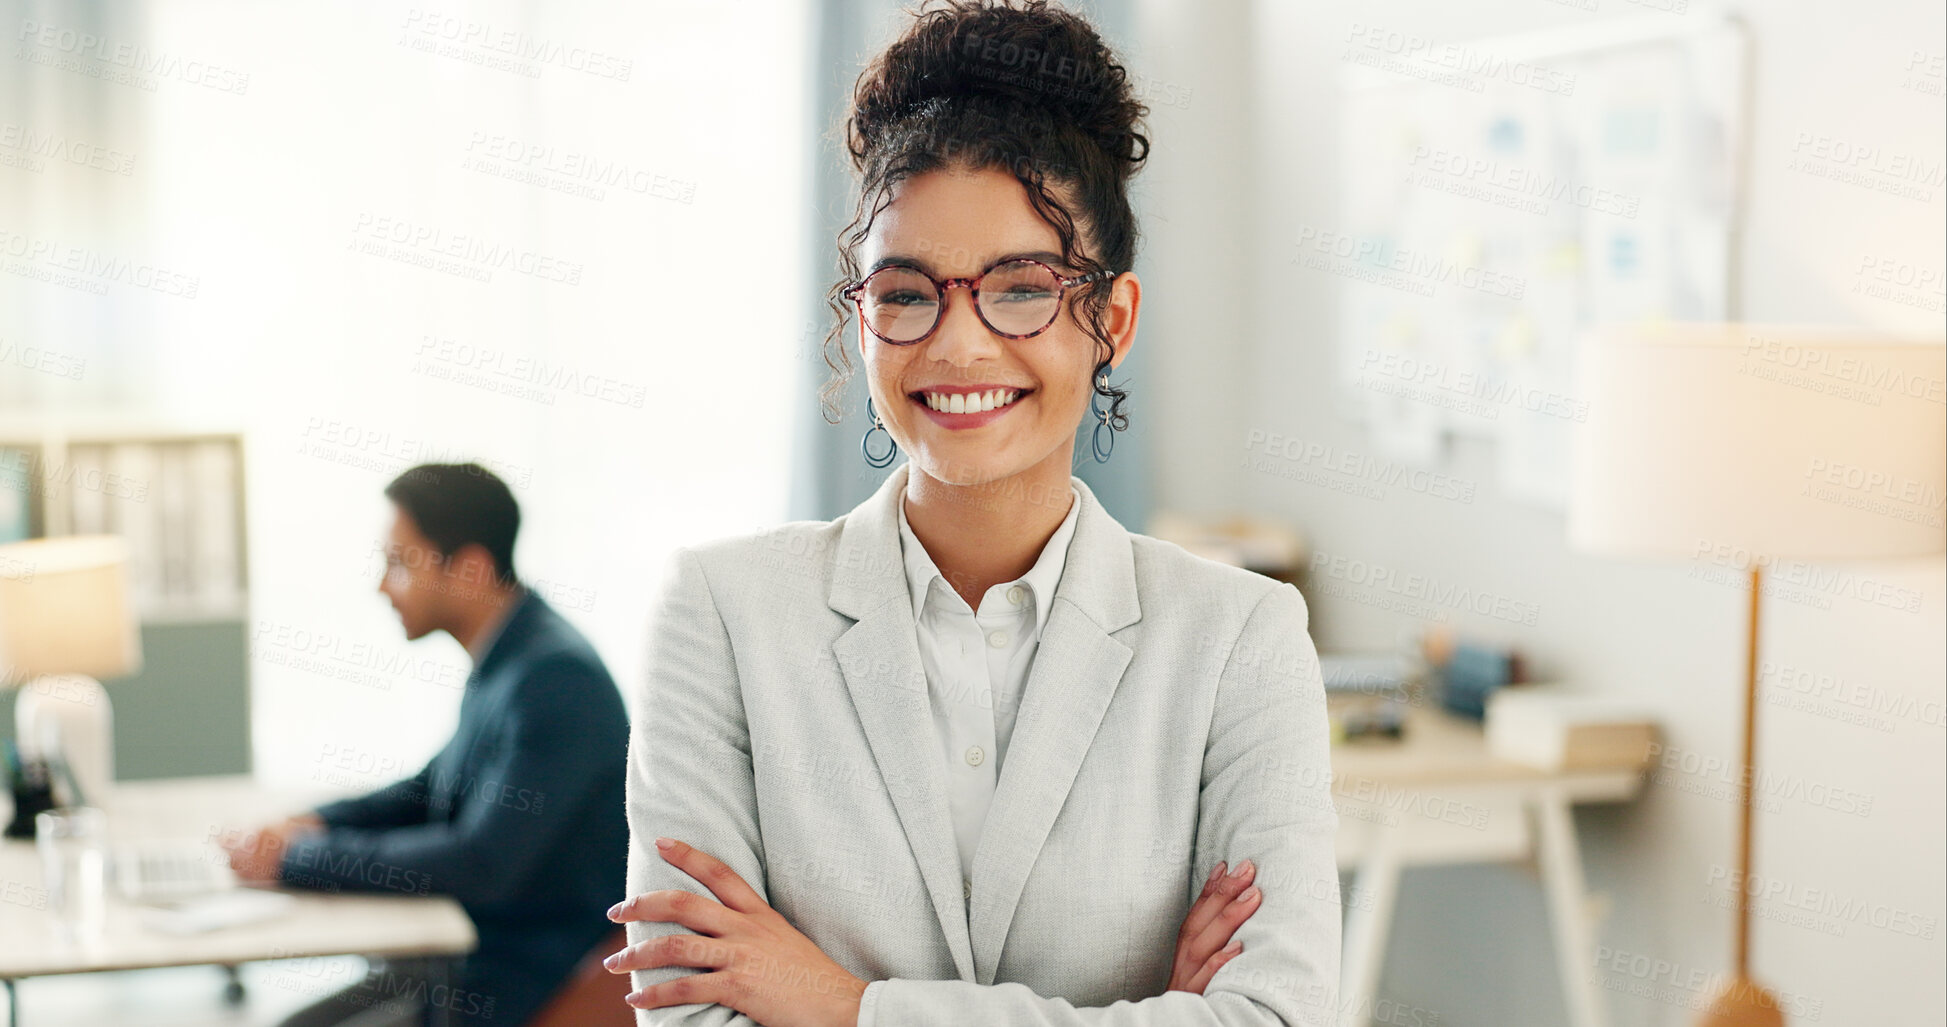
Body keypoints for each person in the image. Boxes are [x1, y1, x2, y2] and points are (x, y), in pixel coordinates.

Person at [602, 2, 1340, 1025]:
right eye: (906, 294)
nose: (958, 346)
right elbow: (691, 1014)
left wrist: (843, 1003)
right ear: (860, 318)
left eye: (1022, 288)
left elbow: (1275, 1017)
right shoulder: (723, 614)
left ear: (1109, 321)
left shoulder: (1239, 642)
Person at [223, 462, 629, 1027]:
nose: (381, 585)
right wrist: (311, 824)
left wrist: (296, 859)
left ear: (469, 569)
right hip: (469, 951)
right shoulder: (512, 656)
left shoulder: (555, 680)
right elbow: (431, 788)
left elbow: (479, 861)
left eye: (398, 564)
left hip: (524, 970)